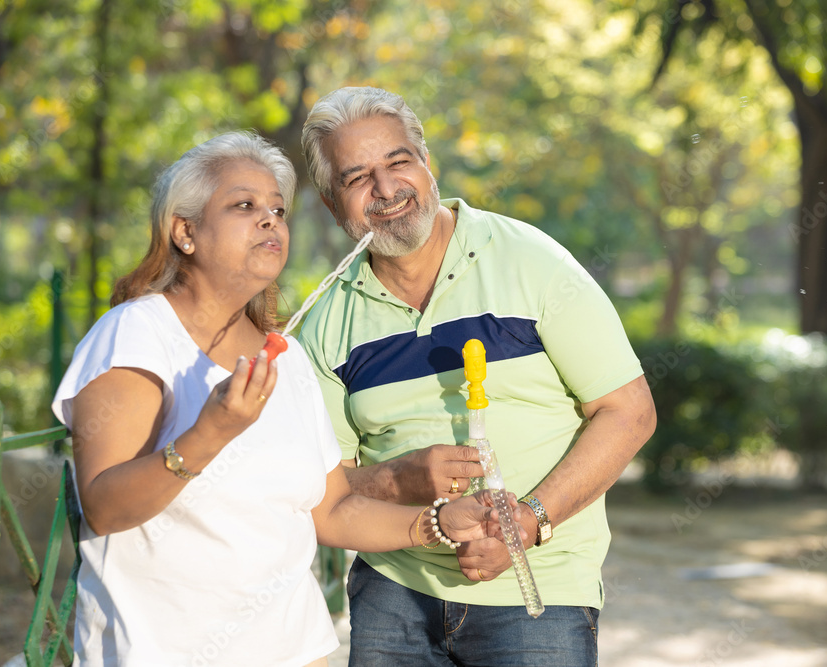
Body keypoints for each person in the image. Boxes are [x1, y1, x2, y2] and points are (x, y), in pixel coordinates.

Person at [51, 130, 514, 667]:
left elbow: (333, 510)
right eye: (244, 205)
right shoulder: (136, 333)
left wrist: (437, 522)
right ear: (185, 232)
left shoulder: (287, 356)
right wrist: (211, 432)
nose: (271, 219)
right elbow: (104, 509)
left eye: (277, 208)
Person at [298, 87, 658, 666]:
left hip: (538, 594)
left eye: (398, 162)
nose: (387, 189)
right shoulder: (323, 324)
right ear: (329, 200)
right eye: (357, 177)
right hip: (394, 597)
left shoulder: (532, 262)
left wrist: (530, 520)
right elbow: (324, 491)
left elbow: (629, 412)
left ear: (427, 162)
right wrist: (402, 478)